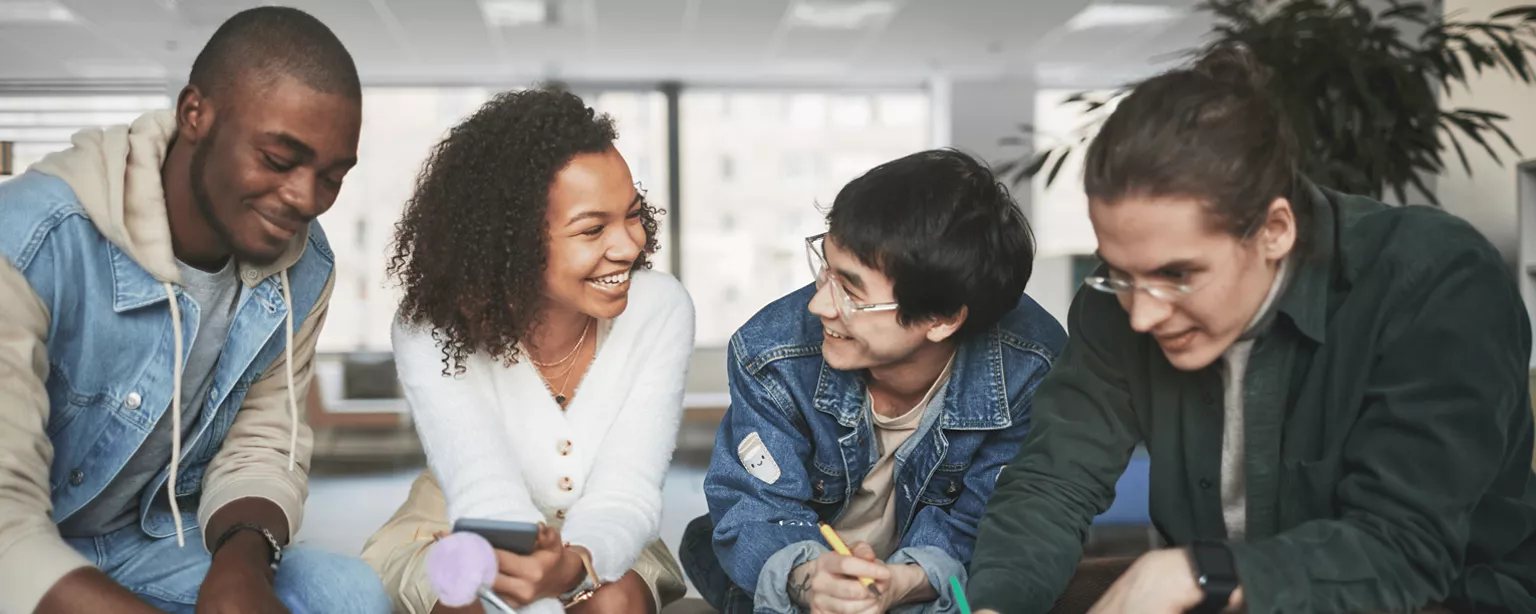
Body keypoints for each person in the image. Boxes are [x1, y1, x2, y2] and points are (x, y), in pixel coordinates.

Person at [966, 46, 1536, 614]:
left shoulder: (1436, 282)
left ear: (1275, 230)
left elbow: (1405, 548)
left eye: (1178, 275)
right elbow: (1052, 483)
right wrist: (997, 604)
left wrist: (1201, 572)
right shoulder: (1116, 301)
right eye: (1120, 273)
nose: (1141, 314)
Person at [0, 6, 392, 614]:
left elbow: (263, 442)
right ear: (195, 115)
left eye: (333, 177)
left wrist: (242, 563)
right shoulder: (29, 242)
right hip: (24, 545)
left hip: (148, 540)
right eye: (280, 160)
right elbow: (6, 527)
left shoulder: (307, 265)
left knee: (347, 593)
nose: (305, 199)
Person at [679, 148, 1067, 614]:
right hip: (804, 562)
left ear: (942, 318)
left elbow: (993, 526)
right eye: (825, 269)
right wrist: (808, 579)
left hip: (927, 578)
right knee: (738, 556)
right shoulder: (772, 351)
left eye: (851, 290)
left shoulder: (1031, 366)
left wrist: (905, 582)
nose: (820, 306)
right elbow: (757, 507)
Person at [359, 88, 694, 614]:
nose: (630, 246)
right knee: (467, 605)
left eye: (631, 214)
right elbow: (485, 494)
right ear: (510, 240)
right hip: (460, 525)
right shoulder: (431, 328)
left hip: (608, 529)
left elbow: (625, 490)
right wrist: (539, 596)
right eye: (592, 228)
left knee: (615, 603)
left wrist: (577, 562)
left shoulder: (660, 309)